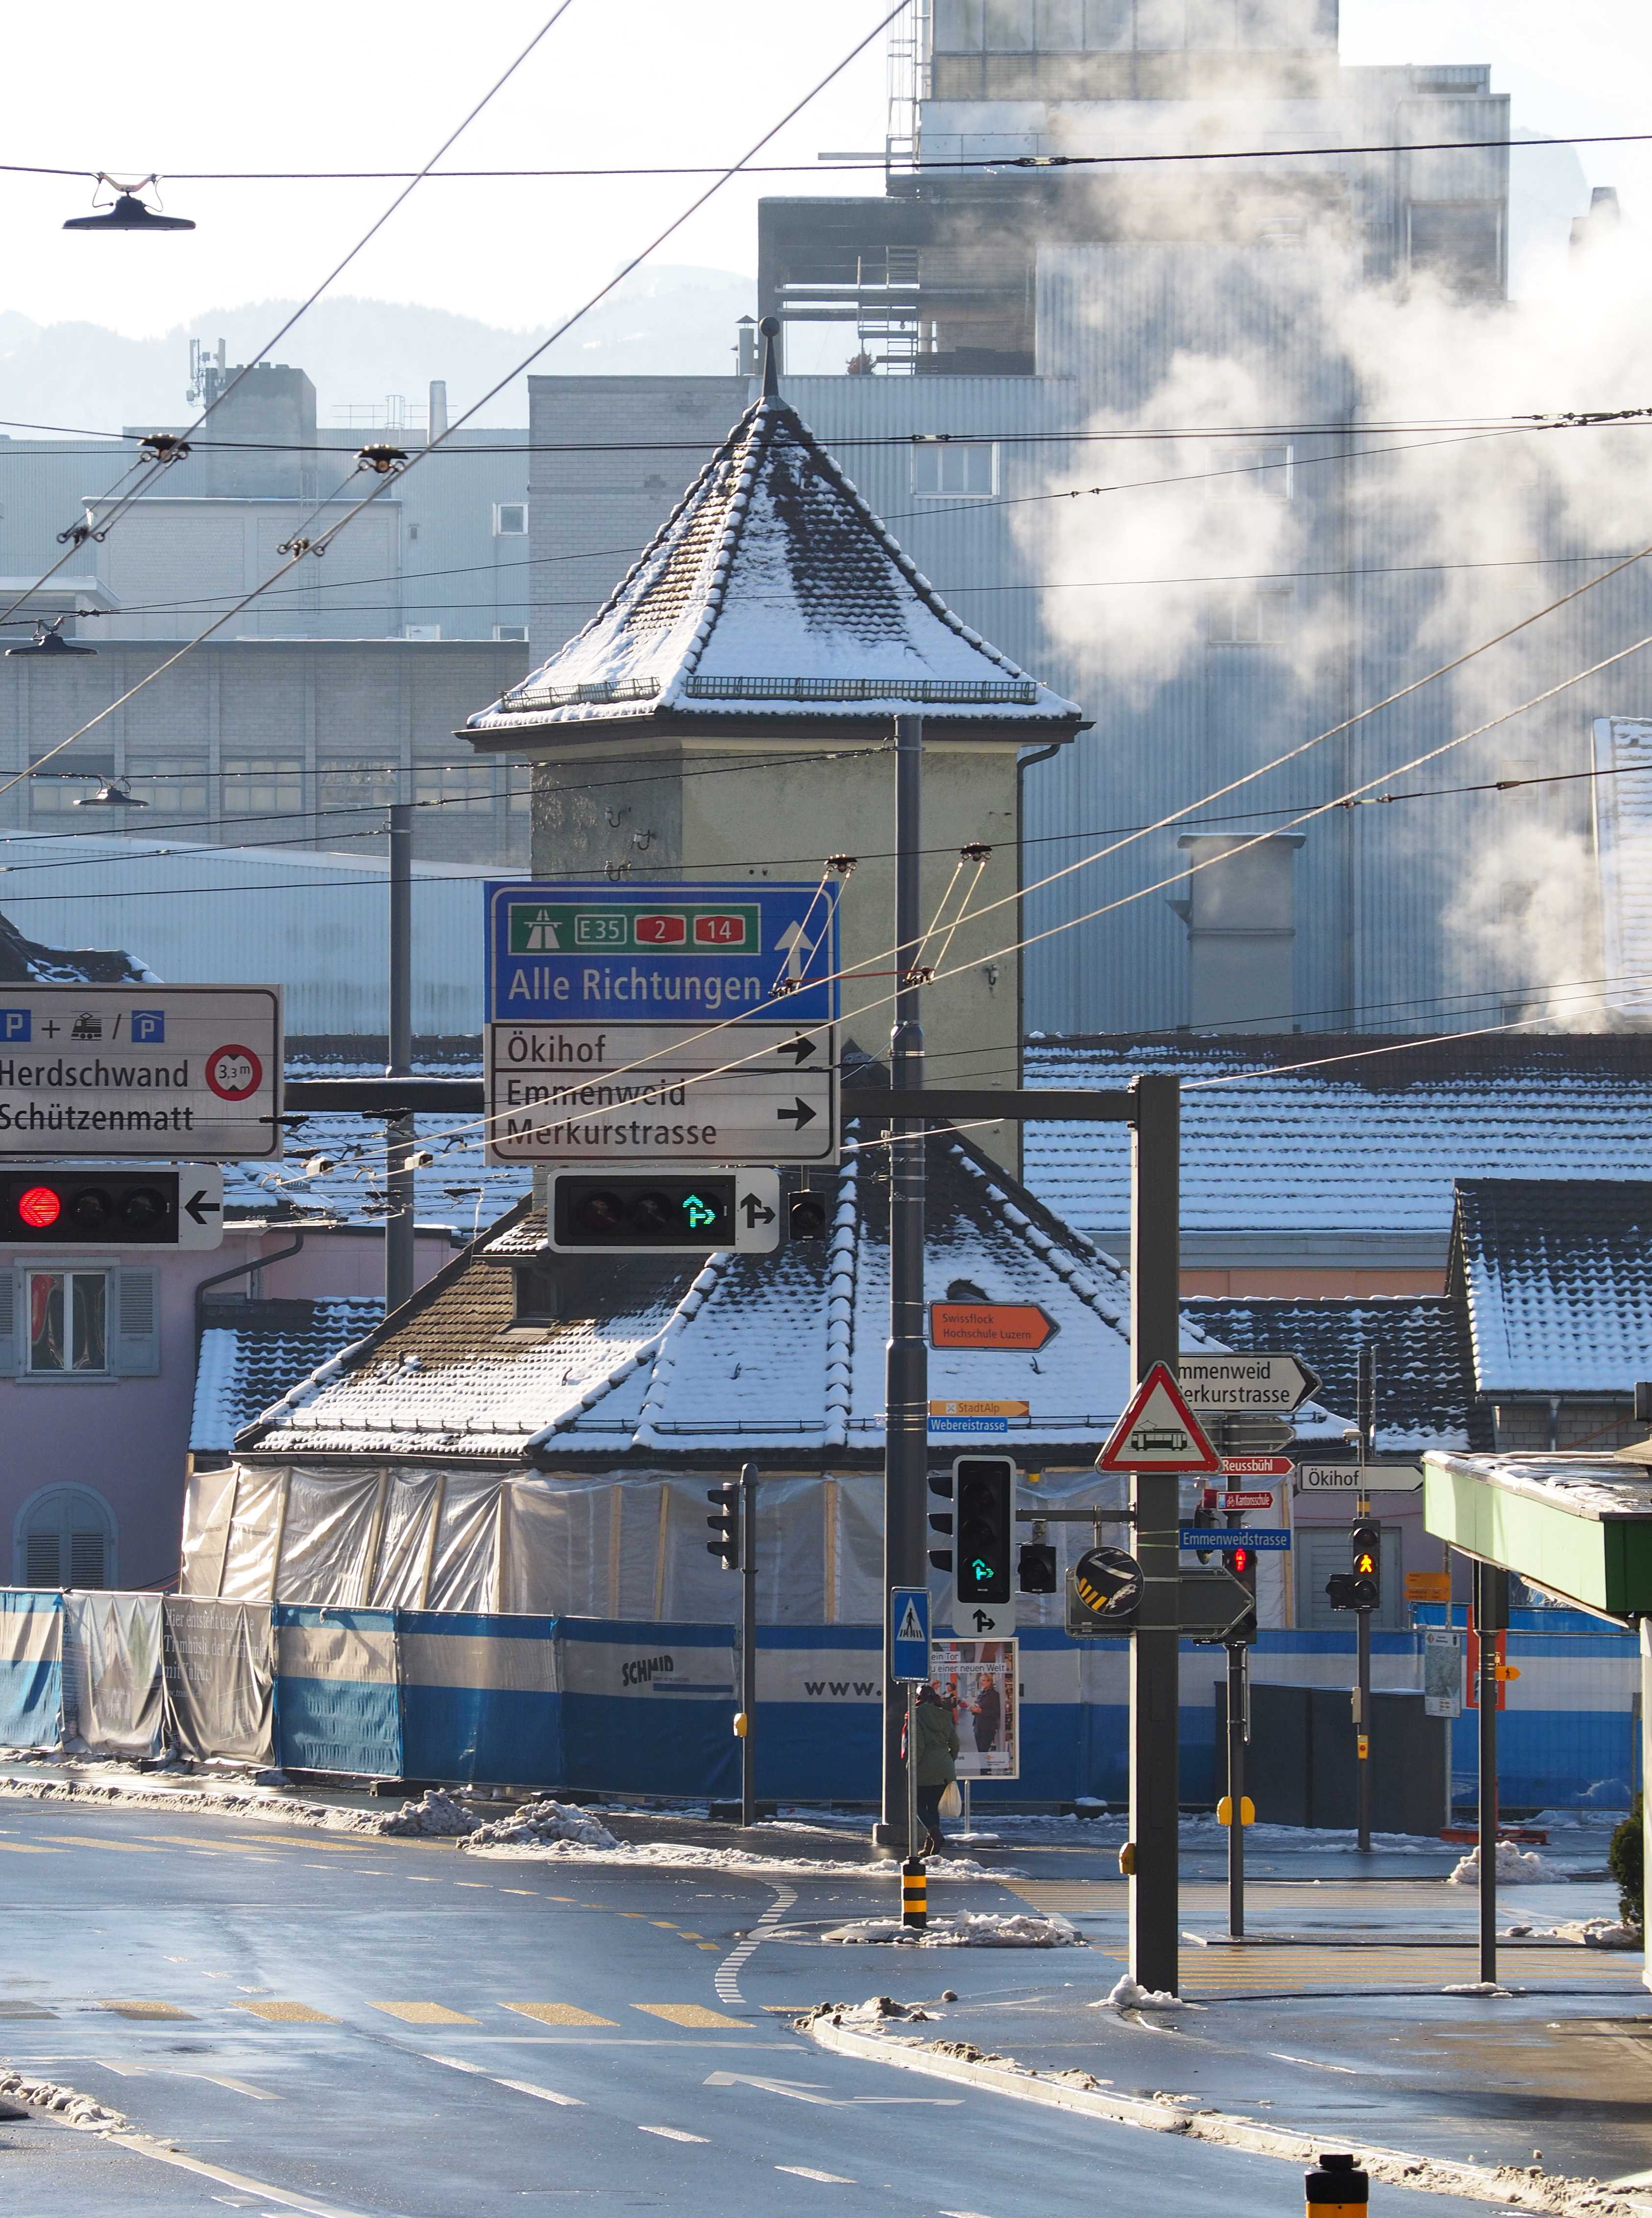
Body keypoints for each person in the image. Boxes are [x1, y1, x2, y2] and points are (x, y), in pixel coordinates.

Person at [910, 1682, 959, 1855]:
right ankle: (930, 1847)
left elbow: (919, 1746)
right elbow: (955, 1744)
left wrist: (912, 1766)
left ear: (918, 1699)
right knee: (932, 1806)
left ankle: (935, 1835)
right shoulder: (944, 1715)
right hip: (944, 1768)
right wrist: (947, 1761)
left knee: (916, 1805)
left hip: (924, 1768)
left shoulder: (915, 1716)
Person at [973, 1670, 1002, 1758]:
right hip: (978, 1726)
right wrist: (974, 1710)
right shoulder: (982, 1694)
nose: (982, 1683)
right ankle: (984, 1771)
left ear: (990, 1682)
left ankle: (985, 1771)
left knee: (983, 1752)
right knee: (981, 1753)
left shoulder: (994, 1695)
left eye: (984, 1681)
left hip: (987, 1728)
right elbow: (979, 1708)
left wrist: (981, 1711)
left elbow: (996, 1712)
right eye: (982, 1681)